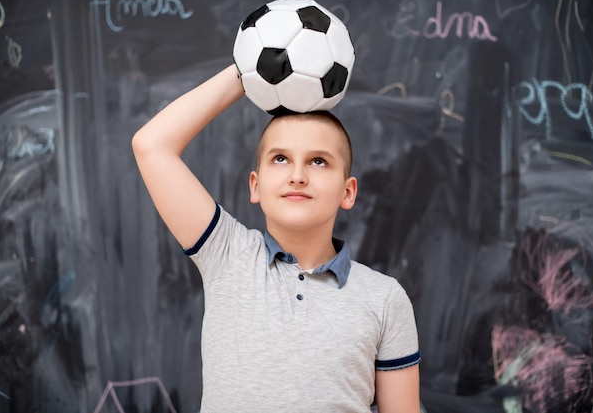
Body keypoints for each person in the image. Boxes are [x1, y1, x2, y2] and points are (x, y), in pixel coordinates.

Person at [132, 63, 421, 413]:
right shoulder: (227, 254)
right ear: (256, 185)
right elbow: (151, 145)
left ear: (348, 191)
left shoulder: (385, 298)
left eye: (318, 162)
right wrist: (247, 72)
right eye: (281, 158)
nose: (297, 176)